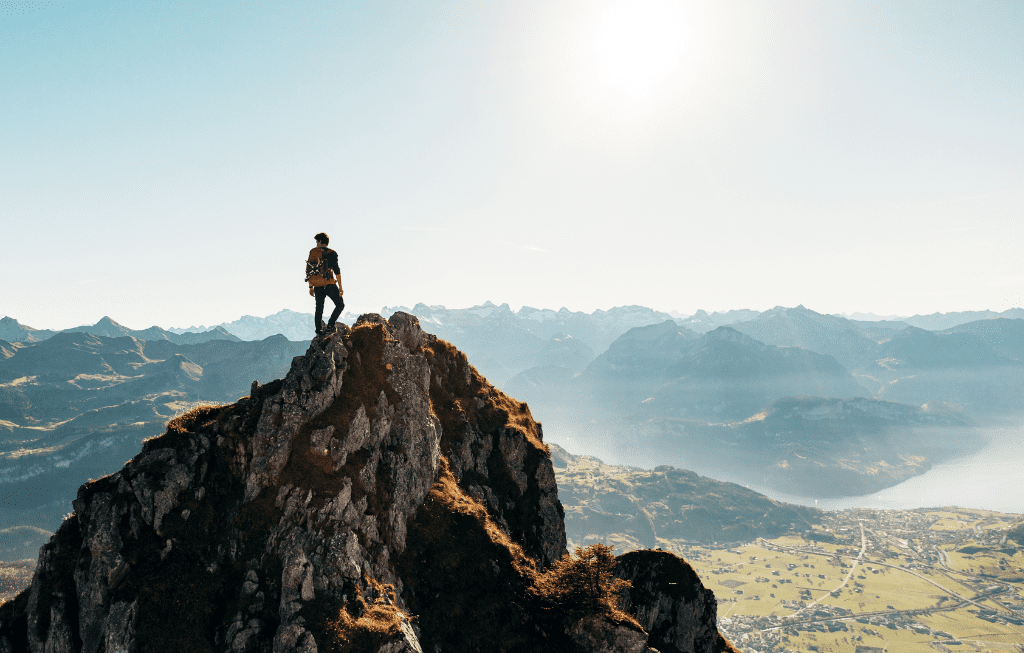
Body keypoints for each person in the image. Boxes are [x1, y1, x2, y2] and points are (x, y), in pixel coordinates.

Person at [306, 232, 344, 336]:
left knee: (319, 308)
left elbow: (309, 270)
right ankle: (330, 326)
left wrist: (310, 286)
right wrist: (340, 286)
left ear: (320, 241)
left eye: (317, 241)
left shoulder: (312, 252)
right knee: (340, 305)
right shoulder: (332, 253)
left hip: (317, 285)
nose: (316, 244)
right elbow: (337, 271)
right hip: (329, 284)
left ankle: (319, 330)